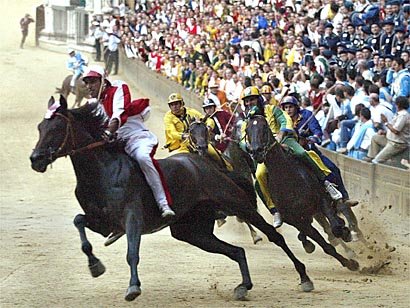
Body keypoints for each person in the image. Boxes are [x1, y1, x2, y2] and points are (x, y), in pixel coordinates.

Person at [82, 65, 175, 245]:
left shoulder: (118, 88)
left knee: (143, 158)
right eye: (87, 83)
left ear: (103, 80)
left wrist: (109, 132)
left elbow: (119, 113)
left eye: (92, 81)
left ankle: (163, 203)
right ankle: (116, 222)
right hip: (116, 145)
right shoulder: (92, 104)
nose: (89, 86)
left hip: (136, 138)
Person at [241, 87, 343, 228]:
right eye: (247, 101)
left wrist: (282, 132)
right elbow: (242, 138)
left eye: (252, 99)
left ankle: (326, 183)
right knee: (259, 175)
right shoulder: (247, 119)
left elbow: (285, 120)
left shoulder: (272, 109)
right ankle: (274, 210)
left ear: (258, 99)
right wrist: (247, 145)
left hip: (284, 141)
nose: (249, 103)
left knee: (303, 154)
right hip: (265, 151)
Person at [280, 95, 359, 207]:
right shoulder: (281, 120)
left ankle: (345, 198)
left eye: (290, 107)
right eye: (286, 107)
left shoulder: (306, 115)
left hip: (309, 151)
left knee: (333, 169)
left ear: (296, 107)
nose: (288, 110)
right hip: (290, 155)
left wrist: (309, 139)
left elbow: (318, 133)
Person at [164, 93, 232, 170]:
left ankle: (228, 170)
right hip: (179, 147)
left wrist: (209, 127)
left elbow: (209, 120)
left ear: (181, 103)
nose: (174, 106)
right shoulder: (168, 117)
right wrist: (184, 135)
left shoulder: (191, 111)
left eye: (176, 103)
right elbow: (171, 133)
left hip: (197, 143)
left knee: (216, 155)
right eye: (172, 105)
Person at [364, 96, 410, 164]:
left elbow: (396, 131)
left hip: (397, 143)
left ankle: (375, 162)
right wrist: (385, 132)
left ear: (399, 104)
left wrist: (385, 122)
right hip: (390, 139)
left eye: (396, 103)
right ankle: (371, 156)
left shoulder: (403, 115)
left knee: (377, 161)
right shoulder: (398, 113)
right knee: (375, 138)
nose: (395, 105)